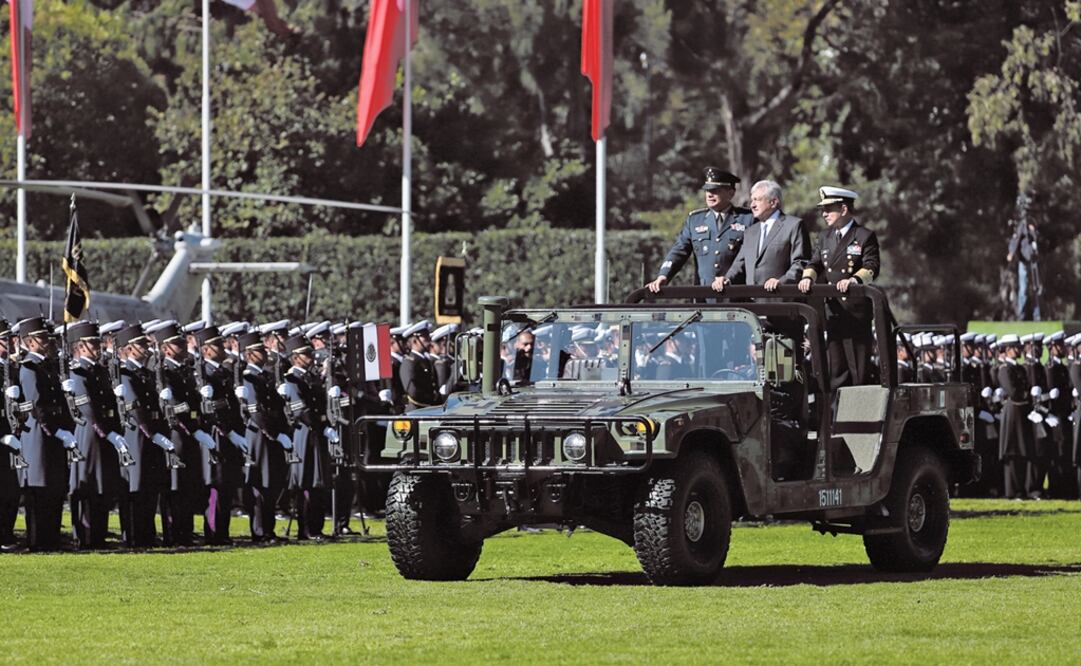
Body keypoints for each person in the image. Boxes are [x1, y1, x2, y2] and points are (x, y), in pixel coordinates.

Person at [798, 187, 881, 389]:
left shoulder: (863, 235)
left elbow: (872, 266)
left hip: (855, 313)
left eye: (829, 209)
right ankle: (836, 417)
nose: (824, 214)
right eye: (822, 209)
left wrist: (854, 280)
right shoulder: (824, 237)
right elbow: (815, 263)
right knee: (837, 372)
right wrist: (808, 277)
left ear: (843, 209)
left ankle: (861, 417)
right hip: (833, 313)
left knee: (858, 372)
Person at [10, 317, 79, 551]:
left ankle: (51, 539)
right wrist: (58, 431)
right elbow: (37, 406)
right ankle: (38, 541)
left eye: (47, 338)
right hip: (39, 436)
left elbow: (60, 403)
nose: (47, 342)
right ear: (29, 342)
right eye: (41, 338)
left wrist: (68, 429)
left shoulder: (47, 367)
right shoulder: (29, 369)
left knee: (55, 489)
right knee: (39, 491)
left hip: (54, 435)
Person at [63, 320, 131, 549]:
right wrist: (108, 433)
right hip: (89, 435)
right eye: (92, 343)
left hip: (106, 433)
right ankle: (85, 536)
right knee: (89, 485)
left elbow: (109, 404)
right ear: (80, 346)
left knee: (103, 486)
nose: (97, 347)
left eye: (98, 342)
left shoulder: (100, 371)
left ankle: (98, 535)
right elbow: (88, 409)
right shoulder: (78, 373)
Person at [647, 167, 752, 292]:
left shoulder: (747, 219)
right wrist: (664, 275)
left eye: (715, 190)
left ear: (731, 193)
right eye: (707, 190)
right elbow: (679, 250)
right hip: (704, 297)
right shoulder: (695, 220)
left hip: (736, 296)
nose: (709, 194)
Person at [235, 330, 295, 543]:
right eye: (260, 350)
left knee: (273, 483)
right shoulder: (249, 378)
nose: (265, 352)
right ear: (250, 354)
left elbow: (276, 408)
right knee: (260, 484)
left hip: (273, 437)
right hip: (260, 436)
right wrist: (276, 435)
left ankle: (268, 530)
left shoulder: (265, 376)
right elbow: (257, 413)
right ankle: (260, 531)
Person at [714, 180, 809, 293]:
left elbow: (800, 262)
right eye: (752, 200)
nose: (752, 205)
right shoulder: (750, 231)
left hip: (780, 300)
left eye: (757, 200)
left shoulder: (793, 225)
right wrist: (726, 279)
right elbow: (740, 263)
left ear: (773, 202)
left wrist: (782, 281)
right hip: (752, 303)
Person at [997, 335, 1035, 500]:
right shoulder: (1005, 369)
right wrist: (1028, 394)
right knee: (1012, 452)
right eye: (1016, 347)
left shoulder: (1019, 368)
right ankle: (1012, 491)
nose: (1019, 350)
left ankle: (1021, 490)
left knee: (1022, 451)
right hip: (1013, 412)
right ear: (1008, 350)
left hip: (1023, 411)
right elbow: (1013, 391)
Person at [1007, 198, 1041, 320]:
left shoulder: (1034, 226)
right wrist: (1011, 252)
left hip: (1034, 261)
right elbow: (1015, 240)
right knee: (1023, 289)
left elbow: (1037, 242)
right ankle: (1021, 316)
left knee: (1036, 288)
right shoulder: (1022, 225)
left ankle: (1037, 316)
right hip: (1024, 261)